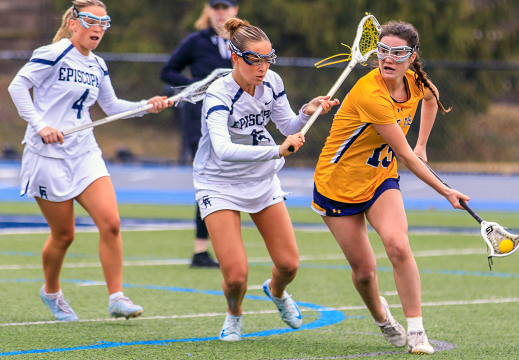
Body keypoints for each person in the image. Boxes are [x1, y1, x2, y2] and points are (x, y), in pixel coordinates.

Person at [7, 0, 172, 321]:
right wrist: (41, 126)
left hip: (84, 153)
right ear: (74, 23)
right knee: (64, 235)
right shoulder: (52, 53)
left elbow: (110, 106)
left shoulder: (98, 65)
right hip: (46, 156)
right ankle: (51, 292)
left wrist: (144, 105)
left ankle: (117, 297)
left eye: (104, 23)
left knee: (110, 223)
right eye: (91, 21)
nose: (98, 28)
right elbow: (17, 86)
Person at [311, 21, 470, 355]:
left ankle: (416, 332)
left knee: (398, 245)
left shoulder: (417, 82)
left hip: (380, 178)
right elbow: (406, 156)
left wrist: (423, 144)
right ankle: (382, 318)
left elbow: (432, 98)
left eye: (398, 52)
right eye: (383, 50)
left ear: (412, 57)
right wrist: (446, 191)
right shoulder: (371, 95)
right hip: (337, 184)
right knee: (366, 273)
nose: (388, 58)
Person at [194, 18, 338, 341]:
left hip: (261, 181)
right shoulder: (218, 94)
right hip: (219, 184)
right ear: (235, 57)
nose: (262, 67)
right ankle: (234, 314)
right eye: (253, 59)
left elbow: (288, 125)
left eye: (267, 58)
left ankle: (275, 291)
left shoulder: (272, 82)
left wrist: (307, 111)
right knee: (235, 277)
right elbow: (223, 150)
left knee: (288, 265)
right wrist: (276, 152)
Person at [160, 0, 239, 269]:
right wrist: (195, 89)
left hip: (237, 122)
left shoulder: (244, 42)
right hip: (201, 122)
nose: (220, 12)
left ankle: (225, 247)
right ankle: (200, 250)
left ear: (235, 11)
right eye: (215, 7)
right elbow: (167, 71)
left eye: (225, 7)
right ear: (208, 10)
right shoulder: (196, 41)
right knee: (210, 180)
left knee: (234, 181)